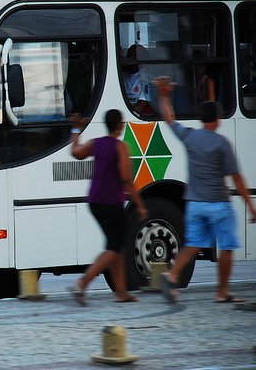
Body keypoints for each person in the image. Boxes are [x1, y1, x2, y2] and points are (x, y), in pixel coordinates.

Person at [154, 76, 256, 304]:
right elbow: (237, 178)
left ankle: (171, 275)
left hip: (195, 204)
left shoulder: (190, 136)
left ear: (202, 119)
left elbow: (169, 119)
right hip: (218, 204)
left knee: (192, 245)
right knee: (227, 247)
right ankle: (222, 292)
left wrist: (163, 95)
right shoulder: (221, 144)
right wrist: (251, 206)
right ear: (218, 119)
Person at [67, 109, 148, 305]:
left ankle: (121, 292)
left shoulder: (96, 143)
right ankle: (82, 283)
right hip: (111, 202)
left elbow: (75, 153)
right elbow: (126, 178)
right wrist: (140, 205)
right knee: (113, 248)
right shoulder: (121, 147)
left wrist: (76, 128)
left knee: (118, 247)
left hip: (94, 201)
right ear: (119, 125)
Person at [123, 45, 153, 115]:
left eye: (135, 56)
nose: (132, 58)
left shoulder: (148, 78)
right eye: (130, 55)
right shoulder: (121, 76)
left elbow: (140, 107)